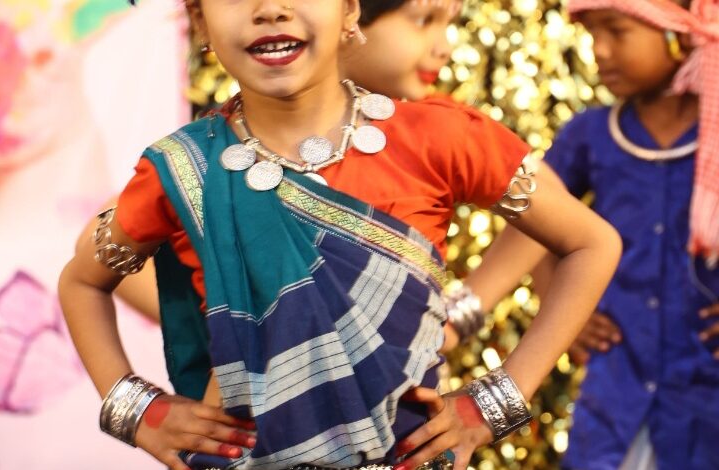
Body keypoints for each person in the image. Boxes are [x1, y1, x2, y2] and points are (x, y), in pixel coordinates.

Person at [59, 2, 621, 470]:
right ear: (200, 20)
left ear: (350, 9)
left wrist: (493, 405)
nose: (270, 9)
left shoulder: (442, 138)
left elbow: (591, 243)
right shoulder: (183, 169)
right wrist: (137, 412)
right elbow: (82, 281)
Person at [462, 0, 719, 468]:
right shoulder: (590, 135)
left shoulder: (713, 134)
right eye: (592, 33)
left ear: (679, 35)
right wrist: (562, 307)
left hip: (705, 391)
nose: (599, 50)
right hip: (617, 384)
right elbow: (535, 225)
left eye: (616, 31)